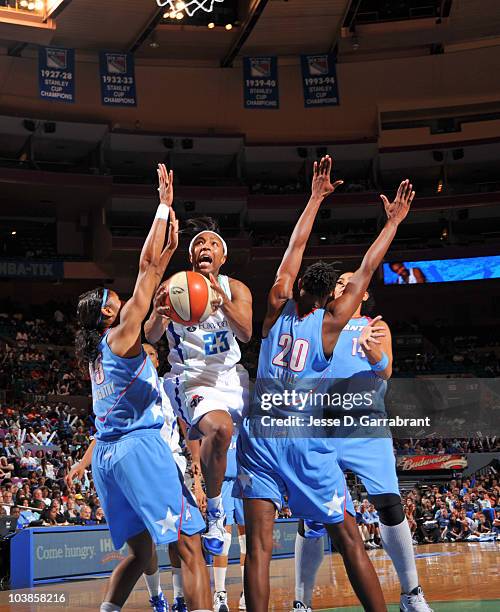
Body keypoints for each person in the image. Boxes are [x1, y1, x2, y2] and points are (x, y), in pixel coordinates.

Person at [234, 155, 414, 612]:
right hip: (301, 436)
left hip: (258, 435)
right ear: (330, 296)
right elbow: (369, 269)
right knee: (348, 535)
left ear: (297, 289)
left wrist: (314, 198)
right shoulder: (333, 324)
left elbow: (294, 249)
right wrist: (391, 224)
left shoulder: (277, 305)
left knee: (257, 547)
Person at [73, 164, 211, 612]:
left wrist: (167, 252)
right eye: (113, 298)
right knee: (189, 547)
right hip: (138, 449)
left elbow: (152, 273)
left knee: (141, 554)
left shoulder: (97, 353)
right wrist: (164, 206)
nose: (120, 297)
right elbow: (148, 267)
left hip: (109, 463)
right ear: (107, 313)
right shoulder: (121, 333)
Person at [293, 271, 432, 611]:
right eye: (339, 282)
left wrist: (374, 356)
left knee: (390, 505)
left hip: (366, 428)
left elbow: (386, 371)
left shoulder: (375, 326)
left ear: (365, 293)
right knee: (311, 519)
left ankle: (411, 594)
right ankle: (301, 602)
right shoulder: (317, 325)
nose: (344, 285)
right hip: (321, 430)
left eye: (351, 281)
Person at [145, 214, 252, 556]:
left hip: (231, 379)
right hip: (193, 379)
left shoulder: (236, 288)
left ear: (223, 257)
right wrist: (161, 312)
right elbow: (149, 335)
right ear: (192, 257)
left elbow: (247, 333)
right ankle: (217, 512)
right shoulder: (175, 288)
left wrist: (222, 298)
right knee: (219, 429)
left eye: (213, 244)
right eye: (199, 245)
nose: (206, 248)